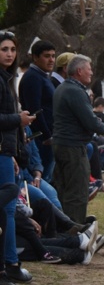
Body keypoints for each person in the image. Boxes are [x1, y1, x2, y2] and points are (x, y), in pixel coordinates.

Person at [52, 55, 104, 229]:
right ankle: (75, 231)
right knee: (77, 191)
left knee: (64, 189)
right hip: (72, 147)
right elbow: (91, 121)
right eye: (89, 68)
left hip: (62, 144)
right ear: (79, 71)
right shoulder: (74, 91)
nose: (91, 72)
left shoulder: (63, 88)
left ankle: (66, 228)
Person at [1, 31, 38, 285]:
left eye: (13, 49)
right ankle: (10, 265)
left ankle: (11, 264)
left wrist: (13, 153)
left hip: (7, 152)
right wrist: (19, 120)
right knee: (7, 211)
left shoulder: (8, 78)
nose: (9, 54)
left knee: (8, 211)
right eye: (4, 49)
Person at [19, 39, 57, 185]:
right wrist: (47, 136)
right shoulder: (32, 77)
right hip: (41, 138)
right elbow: (34, 109)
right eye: (47, 56)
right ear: (35, 57)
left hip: (49, 135)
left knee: (47, 176)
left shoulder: (43, 76)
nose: (51, 60)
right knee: (42, 178)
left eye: (53, 56)